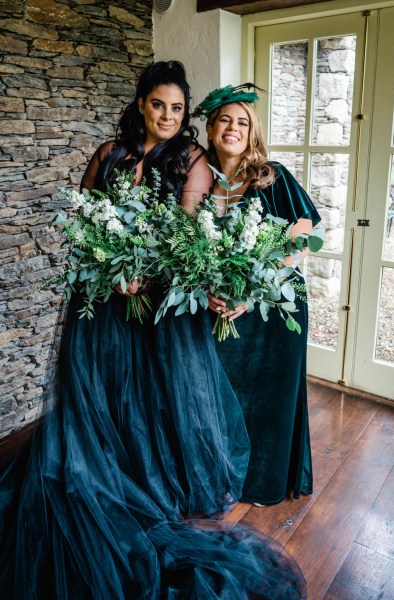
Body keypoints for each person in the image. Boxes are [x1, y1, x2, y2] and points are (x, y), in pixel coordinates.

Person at [0, 63, 306, 598]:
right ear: (141, 103)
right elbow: (86, 224)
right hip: (103, 300)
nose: (167, 116)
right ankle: (96, 473)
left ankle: (146, 481)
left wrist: (145, 274)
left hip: (160, 306)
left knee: (152, 399)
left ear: (187, 115)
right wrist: (109, 267)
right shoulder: (107, 155)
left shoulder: (192, 161)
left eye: (177, 108)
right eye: (158, 104)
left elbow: (188, 241)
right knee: (98, 396)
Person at [193, 84, 321, 506]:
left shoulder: (272, 175)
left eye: (242, 122)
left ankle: (263, 481)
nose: (233, 127)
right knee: (219, 391)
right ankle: (222, 475)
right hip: (221, 308)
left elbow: (304, 235)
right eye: (225, 120)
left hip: (273, 309)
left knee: (267, 397)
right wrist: (206, 287)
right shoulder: (194, 180)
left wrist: (255, 287)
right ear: (211, 128)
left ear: (253, 132)